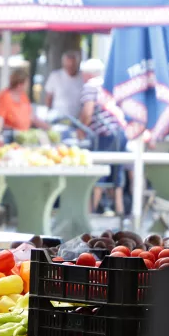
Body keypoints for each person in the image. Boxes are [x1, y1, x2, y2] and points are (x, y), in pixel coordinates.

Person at [79, 59, 128, 216]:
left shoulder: (90, 86)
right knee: (116, 173)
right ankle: (120, 210)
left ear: (87, 74)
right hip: (121, 131)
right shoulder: (110, 84)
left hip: (104, 133)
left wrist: (81, 129)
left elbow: (88, 112)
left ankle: (91, 212)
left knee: (98, 172)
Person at [44, 51, 84, 119]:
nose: (70, 66)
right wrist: (48, 113)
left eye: (73, 64)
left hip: (77, 119)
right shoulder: (55, 76)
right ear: (63, 64)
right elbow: (49, 97)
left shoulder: (82, 77)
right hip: (58, 117)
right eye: (68, 64)